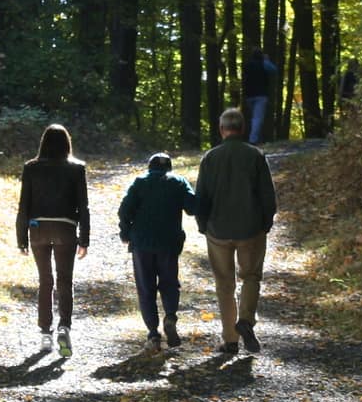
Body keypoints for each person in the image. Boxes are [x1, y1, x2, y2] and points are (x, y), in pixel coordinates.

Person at [195, 106, 277, 356]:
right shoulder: (255, 156)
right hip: (250, 229)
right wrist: (266, 222)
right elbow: (267, 195)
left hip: (218, 231)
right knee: (251, 277)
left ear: (222, 130)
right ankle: (246, 321)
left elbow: (201, 197)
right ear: (242, 129)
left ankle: (230, 340)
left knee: (224, 283)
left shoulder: (210, 158)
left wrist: (202, 224)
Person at [16, 124, 89, 355]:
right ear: (67, 143)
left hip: (38, 229)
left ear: (43, 143)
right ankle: (64, 329)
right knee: (64, 281)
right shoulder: (77, 168)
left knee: (45, 281)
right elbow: (83, 207)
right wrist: (84, 239)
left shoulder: (31, 167)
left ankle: (45, 334)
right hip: (66, 228)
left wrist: (21, 239)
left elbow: (23, 205)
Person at [117, 153, 197, 350]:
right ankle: (170, 315)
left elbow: (124, 210)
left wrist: (125, 232)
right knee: (170, 283)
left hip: (142, 243)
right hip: (169, 243)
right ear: (169, 168)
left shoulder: (139, 182)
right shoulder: (178, 182)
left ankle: (153, 334)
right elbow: (193, 207)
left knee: (146, 288)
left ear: (149, 167)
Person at [242, 49, 278, 144]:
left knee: (254, 118)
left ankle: (257, 139)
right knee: (257, 118)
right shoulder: (264, 64)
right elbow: (274, 69)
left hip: (249, 95)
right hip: (261, 95)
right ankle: (253, 140)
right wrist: (266, 60)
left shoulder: (247, 65)